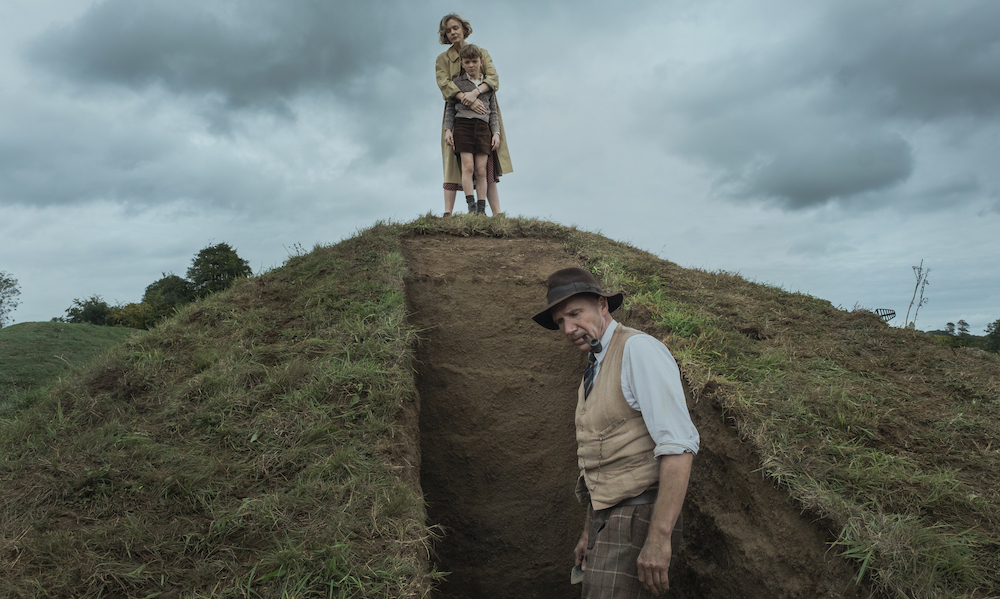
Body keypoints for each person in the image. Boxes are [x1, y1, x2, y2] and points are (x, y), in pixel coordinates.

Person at [532, 268, 700, 598]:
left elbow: (679, 447)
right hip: (609, 518)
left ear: (602, 305)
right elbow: (604, 459)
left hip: (639, 515)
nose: (568, 328)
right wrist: (590, 532)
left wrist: (658, 537)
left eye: (575, 314)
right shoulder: (595, 366)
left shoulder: (637, 349)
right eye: (560, 321)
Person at [435, 13, 512, 217]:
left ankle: (495, 213)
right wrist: (465, 98)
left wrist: (475, 93)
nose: (453, 32)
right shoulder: (442, 59)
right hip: (458, 113)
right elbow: (444, 84)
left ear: (463, 28)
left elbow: (493, 78)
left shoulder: (481, 52)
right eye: (448, 30)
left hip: (483, 109)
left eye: (455, 28)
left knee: (485, 165)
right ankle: (449, 212)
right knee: (455, 161)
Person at [444, 44, 501, 215]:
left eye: (474, 61)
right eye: (467, 62)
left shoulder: (487, 85)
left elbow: (493, 112)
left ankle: (481, 209)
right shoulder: (457, 84)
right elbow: (450, 109)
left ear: (481, 62)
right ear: (462, 63)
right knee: (468, 167)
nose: (471, 65)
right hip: (463, 126)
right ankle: (471, 207)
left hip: (483, 129)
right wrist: (448, 129)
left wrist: (496, 133)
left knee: (481, 170)